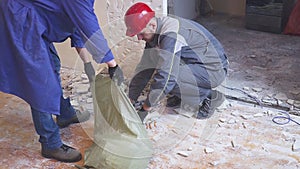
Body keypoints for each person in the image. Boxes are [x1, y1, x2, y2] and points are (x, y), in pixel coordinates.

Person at [0, 0, 123, 163]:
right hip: (19, 18)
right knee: (40, 82)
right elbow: (89, 28)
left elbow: (79, 25)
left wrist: (87, 65)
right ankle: (50, 143)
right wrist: (112, 65)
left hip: (33, 16)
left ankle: (64, 113)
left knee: (54, 64)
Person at [124, 2, 228, 120]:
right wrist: (131, 98)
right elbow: (145, 68)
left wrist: (145, 109)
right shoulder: (155, 31)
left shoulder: (170, 35)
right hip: (197, 63)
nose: (139, 38)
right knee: (164, 71)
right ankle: (184, 95)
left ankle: (212, 97)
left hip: (214, 69)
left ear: (152, 25)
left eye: (141, 33)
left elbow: (167, 77)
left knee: (170, 80)